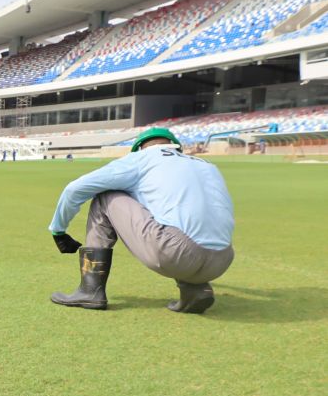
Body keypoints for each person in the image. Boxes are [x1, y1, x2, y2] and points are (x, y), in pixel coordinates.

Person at [48, 127, 235, 314]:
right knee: (177, 213)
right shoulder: (206, 164)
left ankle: (90, 290)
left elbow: (75, 189)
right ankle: (195, 289)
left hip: (176, 254)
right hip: (222, 259)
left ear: (140, 148)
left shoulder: (140, 159)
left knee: (105, 196)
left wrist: (59, 230)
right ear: (176, 147)